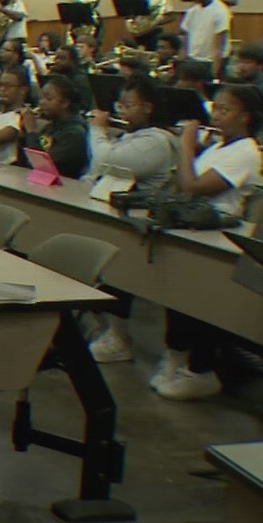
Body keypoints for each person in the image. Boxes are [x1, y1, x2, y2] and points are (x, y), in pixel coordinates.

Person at [155, 84, 263, 400]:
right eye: (215, 109)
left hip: (221, 242)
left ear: (246, 117)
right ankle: (175, 359)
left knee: (201, 304)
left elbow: (192, 186)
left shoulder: (246, 151)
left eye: (225, 110)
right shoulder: (219, 147)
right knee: (176, 298)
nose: (216, 116)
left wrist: (185, 145)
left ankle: (200, 371)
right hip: (195, 233)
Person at [81, 76, 179, 364]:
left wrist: (98, 130)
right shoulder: (135, 134)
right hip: (122, 214)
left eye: (128, 105)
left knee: (119, 275)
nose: (120, 111)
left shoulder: (156, 140)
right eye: (119, 104)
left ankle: (120, 339)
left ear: (148, 107)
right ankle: (109, 331)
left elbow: (107, 160)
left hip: (145, 224)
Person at [20, 76, 90, 178]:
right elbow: (25, 161)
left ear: (65, 103)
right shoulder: (51, 127)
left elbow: (43, 167)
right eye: (41, 98)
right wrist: (23, 131)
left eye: (48, 98)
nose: (41, 102)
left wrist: (31, 130)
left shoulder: (74, 134)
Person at [177, 0, 231, 80]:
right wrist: (180, 64)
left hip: (210, 63)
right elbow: (184, 41)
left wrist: (214, 74)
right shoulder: (192, 11)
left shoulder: (220, 10)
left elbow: (219, 48)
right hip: (193, 61)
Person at [225, 44, 263, 109]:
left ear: (261, 66)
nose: (241, 66)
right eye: (239, 62)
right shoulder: (236, 83)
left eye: (247, 62)